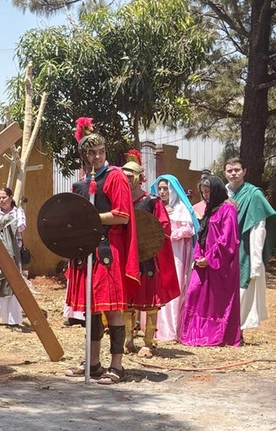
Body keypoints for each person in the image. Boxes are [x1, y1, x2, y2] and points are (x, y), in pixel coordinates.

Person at [64, 118, 139, 385]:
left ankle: (116, 365)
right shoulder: (81, 183)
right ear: (84, 156)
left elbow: (122, 216)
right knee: (91, 309)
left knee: (114, 309)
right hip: (86, 253)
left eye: (101, 152)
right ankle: (93, 362)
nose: (97, 156)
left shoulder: (115, 176)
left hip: (108, 251)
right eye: (91, 153)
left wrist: (92, 217)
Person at [121, 154, 179, 356]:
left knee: (150, 302)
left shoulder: (152, 201)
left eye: (129, 176)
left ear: (138, 177)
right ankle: (128, 340)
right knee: (127, 302)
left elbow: (163, 227)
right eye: (124, 176)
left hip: (147, 258)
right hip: (127, 258)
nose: (126, 179)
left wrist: (149, 243)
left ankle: (148, 341)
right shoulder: (121, 202)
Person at [180, 176, 241, 347]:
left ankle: (214, 334)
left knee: (215, 301)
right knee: (194, 292)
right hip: (204, 260)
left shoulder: (227, 209)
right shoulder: (210, 209)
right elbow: (202, 234)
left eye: (208, 192)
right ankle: (195, 332)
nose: (206, 195)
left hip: (220, 264)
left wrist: (210, 258)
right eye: (203, 192)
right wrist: (198, 255)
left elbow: (228, 239)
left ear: (217, 191)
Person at [223, 158, 275, 331]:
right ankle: (224, 325)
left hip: (246, 244)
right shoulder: (224, 194)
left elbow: (260, 225)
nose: (233, 173)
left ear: (244, 171)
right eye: (230, 171)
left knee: (243, 284)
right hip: (224, 246)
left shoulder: (254, 194)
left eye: (237, 170)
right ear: (224, 173)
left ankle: (238, 327)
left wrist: (257, 254)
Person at [150, 175, 199, 343]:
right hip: (158, 253)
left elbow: (188, 230)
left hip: (176, 254)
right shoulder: (155, 207)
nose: (162, 192)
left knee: (175, 284)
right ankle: (153, 329)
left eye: (166, 188)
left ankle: (171, 331)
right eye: (160, 189)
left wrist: (168, 234)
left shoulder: (181, 208)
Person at [0, 187, 26, 327]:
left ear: (10, 198)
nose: (1, 200)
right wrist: (7, 225)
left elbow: (21, 226)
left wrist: (3, 225)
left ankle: (13, 319)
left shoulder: (18, 212)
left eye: (4, 197)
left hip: (14, 254)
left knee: (15, 284)